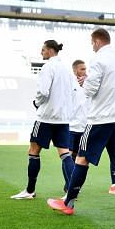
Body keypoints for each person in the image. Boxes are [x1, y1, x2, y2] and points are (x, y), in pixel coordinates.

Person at [47, 28, 115, 219]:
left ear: (97, 42)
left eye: (92, 43)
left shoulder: (99, 59)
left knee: (81, 159)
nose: (92, 47)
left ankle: (68, 203)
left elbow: (91, 89)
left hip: (100, 119)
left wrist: (84, 83)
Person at [11, 40, 75, 200]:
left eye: (43, 50)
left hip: (46, 117)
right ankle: (72, 191)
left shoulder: (48, 67)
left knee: (33, 151)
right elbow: (70, 93)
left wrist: (36, 102)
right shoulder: (66, 69)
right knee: (65, 154)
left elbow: (43, 91)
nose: (41, 52)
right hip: (62, 117)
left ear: (50, 50)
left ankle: (30, 190)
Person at [68, 59, 88, 160]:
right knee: (68, 156)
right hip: (71, 127)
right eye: (82, 69)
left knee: (80, 157)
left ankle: (76, 176)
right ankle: (69, 177)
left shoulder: (90, 84)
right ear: (75, 71)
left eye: (85, 69)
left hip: (84, 128)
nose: (85, 71)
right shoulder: (69, 83)